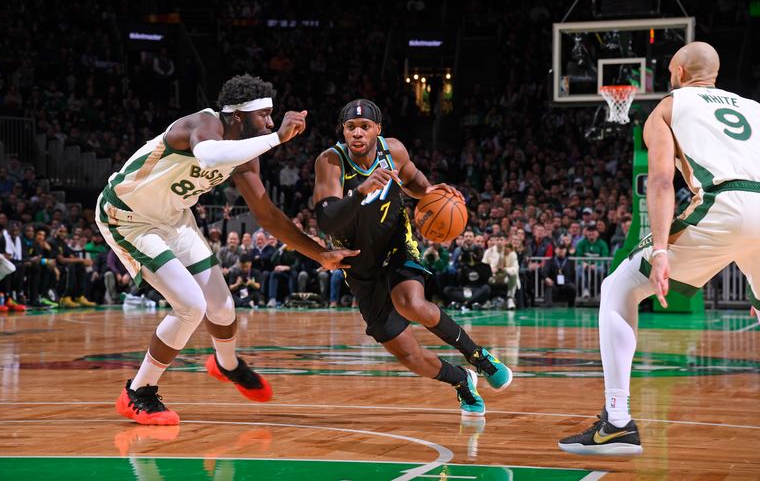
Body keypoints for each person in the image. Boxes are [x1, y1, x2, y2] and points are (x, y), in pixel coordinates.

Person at [96, 74, 356, 425]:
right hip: (128, 216)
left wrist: (319, 253)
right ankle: (137, 393)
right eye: (263, 115)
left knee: (221, 305)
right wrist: (276, 137)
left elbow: (267, 215)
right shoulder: (203, 123)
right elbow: (208, 155)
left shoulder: (246, 157)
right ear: (238, 116)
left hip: (173, 218)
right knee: (190, 306)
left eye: (271, 116)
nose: (269, 121)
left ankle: (227, 364)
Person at [559, 42, 760, 455]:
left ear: (681, 73)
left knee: (619, 287)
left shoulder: (669, 107)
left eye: (670, 71)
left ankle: (616, 422)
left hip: (725, 204)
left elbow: (661, 182)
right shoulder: (754, 108)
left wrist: (663, 250)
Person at [313, 98, 512, 419]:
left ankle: (478, 356)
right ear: (343, 131)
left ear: (378, 129)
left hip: (395, 244)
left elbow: (416, 182)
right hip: (357, 264)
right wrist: (361, 191)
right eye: (351, 127)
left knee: (411, 302)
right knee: (407, 354)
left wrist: (435, 192)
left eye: (365, 127)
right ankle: (462, 380)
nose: (358, 133)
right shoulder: (330, 162)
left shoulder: (394, 151)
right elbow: (327, 220)